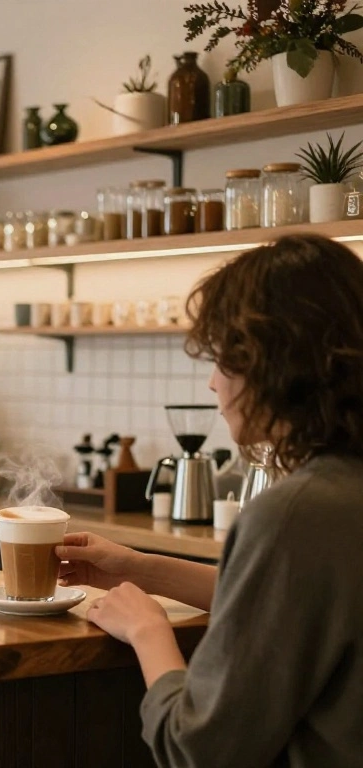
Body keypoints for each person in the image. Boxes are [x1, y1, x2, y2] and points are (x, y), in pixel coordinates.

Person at [57, 235, 363, 767]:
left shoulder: (296, 513)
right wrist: (138, 569)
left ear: (273, 365)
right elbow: (291, 605)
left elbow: (201, 749)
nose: (213, 382)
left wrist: (148, 631)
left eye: (224, 359)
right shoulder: (341, 496)